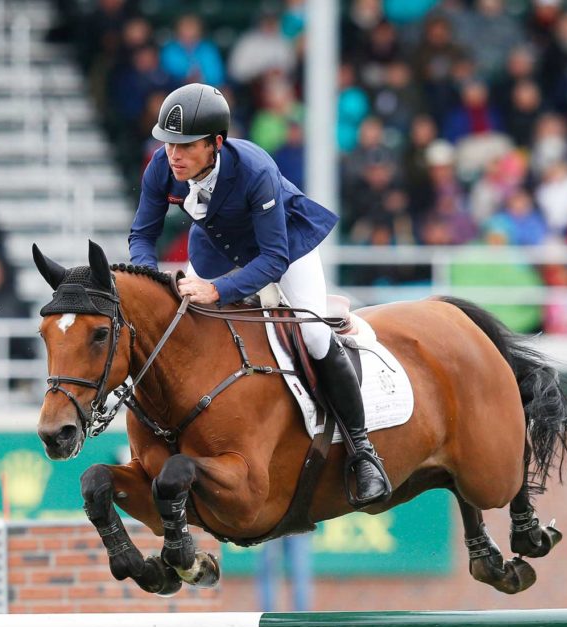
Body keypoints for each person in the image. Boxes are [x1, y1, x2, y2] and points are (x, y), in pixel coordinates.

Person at [129, 83, 390, 507]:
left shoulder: (254, 169)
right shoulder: (162, 166)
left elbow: (272, 258)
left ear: (216, 143)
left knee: (315, 336)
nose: (173, 155)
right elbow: (142, 235)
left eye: (185, 146)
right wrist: (151, 281)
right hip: (217, 251)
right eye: (168, 143)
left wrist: (217, 290)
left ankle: (363, 452)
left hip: (284, 250)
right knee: (181, 325)